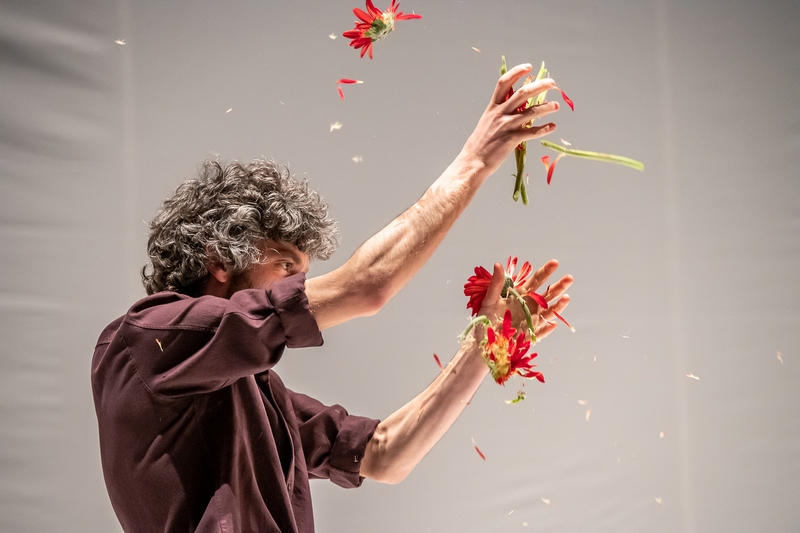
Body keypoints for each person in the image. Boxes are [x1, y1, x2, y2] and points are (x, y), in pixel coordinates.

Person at [91, 64, 574, 532]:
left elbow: (387, 454)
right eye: (286, 267)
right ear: (220, 259)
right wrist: (476, 160)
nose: (299, 287)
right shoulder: (150, 338)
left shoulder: (254, 392)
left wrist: (486, 343)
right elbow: (365, 286)